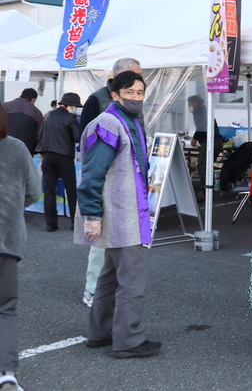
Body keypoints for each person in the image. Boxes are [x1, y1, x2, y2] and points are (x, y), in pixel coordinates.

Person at [75, 71, 161, 359]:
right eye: (130, 92)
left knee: (110, 277)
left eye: (140, 92)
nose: (136, 98)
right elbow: (91, 174)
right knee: (132, 280)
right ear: (114, 94)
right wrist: (91, 215)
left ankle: (100, 333)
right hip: (119, 214)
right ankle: (128, 340)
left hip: (122, 211)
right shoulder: (110, 123)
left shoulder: (124, 121)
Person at [80, 57, 143, 308]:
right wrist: (92, 212)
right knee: (101, 244)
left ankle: (105, 296)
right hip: (109, 186)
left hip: (128, 186)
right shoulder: (98, 101)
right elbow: (89, 143)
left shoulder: (133, 102)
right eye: (133, 78)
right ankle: (93, 291)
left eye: (140, 86)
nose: (138, 88)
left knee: (119, 249)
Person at [0, 104, 41, 391]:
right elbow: (33, 192)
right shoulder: (16, 148)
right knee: (6, 309)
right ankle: (7, 375)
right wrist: (14, 208)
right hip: (7, 240)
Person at [36, 92, 82, 232]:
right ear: (70, 105)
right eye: (75, 106)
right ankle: (74, 223)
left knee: (49, 190)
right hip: (64, 156)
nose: (75, 108)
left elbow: (41, 134)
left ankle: (50, 224)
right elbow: (77, 137)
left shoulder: (48, 115)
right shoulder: (70, 117)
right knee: (71, 190)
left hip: (48, 156)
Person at [187, 94, 223, 200]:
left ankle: (205, 191)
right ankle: (210, 189)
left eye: (190, 103)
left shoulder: (198, 110)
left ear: (195, 102)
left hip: (208, 142)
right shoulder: (207, 110)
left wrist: (194, 139)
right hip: (218, 141)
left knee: (203, 167)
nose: (189, 106)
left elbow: (200, 127)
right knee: (208, 166)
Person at [2, 88, 43, 156]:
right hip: (26, 151)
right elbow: (39, 135)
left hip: (5, 148)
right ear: (33, 100)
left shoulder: (5, 107)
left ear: (20, 96)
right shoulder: (36, 113)